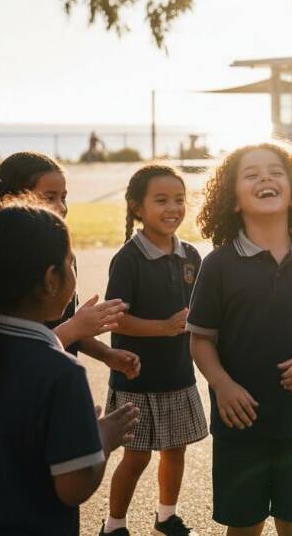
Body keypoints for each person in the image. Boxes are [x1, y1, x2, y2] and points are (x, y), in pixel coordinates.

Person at [0, 201, 139, 535]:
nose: (74, 271)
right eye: (70, 263)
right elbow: (73, 488)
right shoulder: (61, 373)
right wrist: (103, 437)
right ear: (51, 280)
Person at [187, 141, 292, 536]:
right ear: (232, 200)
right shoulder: (219, 264)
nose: (265, 177)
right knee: (244, 525)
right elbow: (201, 340)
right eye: (251, 173)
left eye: (276, 171)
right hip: (240, 422)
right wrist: (223, 387)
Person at [100, 165, 208, 536]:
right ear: (137, 208)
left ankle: (166, 517)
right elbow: (115, 319)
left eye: (179, 199)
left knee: (176, 450)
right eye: (161, 200)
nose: (173, 208)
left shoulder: (192, 256)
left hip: (178, 374)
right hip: (137, 378)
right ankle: (113, 525)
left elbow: (203, 311)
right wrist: (162, 328)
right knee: (136, 457)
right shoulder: (128, 259)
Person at [0, 151, 138, 378]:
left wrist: (106, 354)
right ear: (11, 200)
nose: (61, 207)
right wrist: (76, 328)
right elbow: (14, 355)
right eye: (50, 198)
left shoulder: (62, 253)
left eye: (64, 197)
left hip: (58, 382)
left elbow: (69, 324)